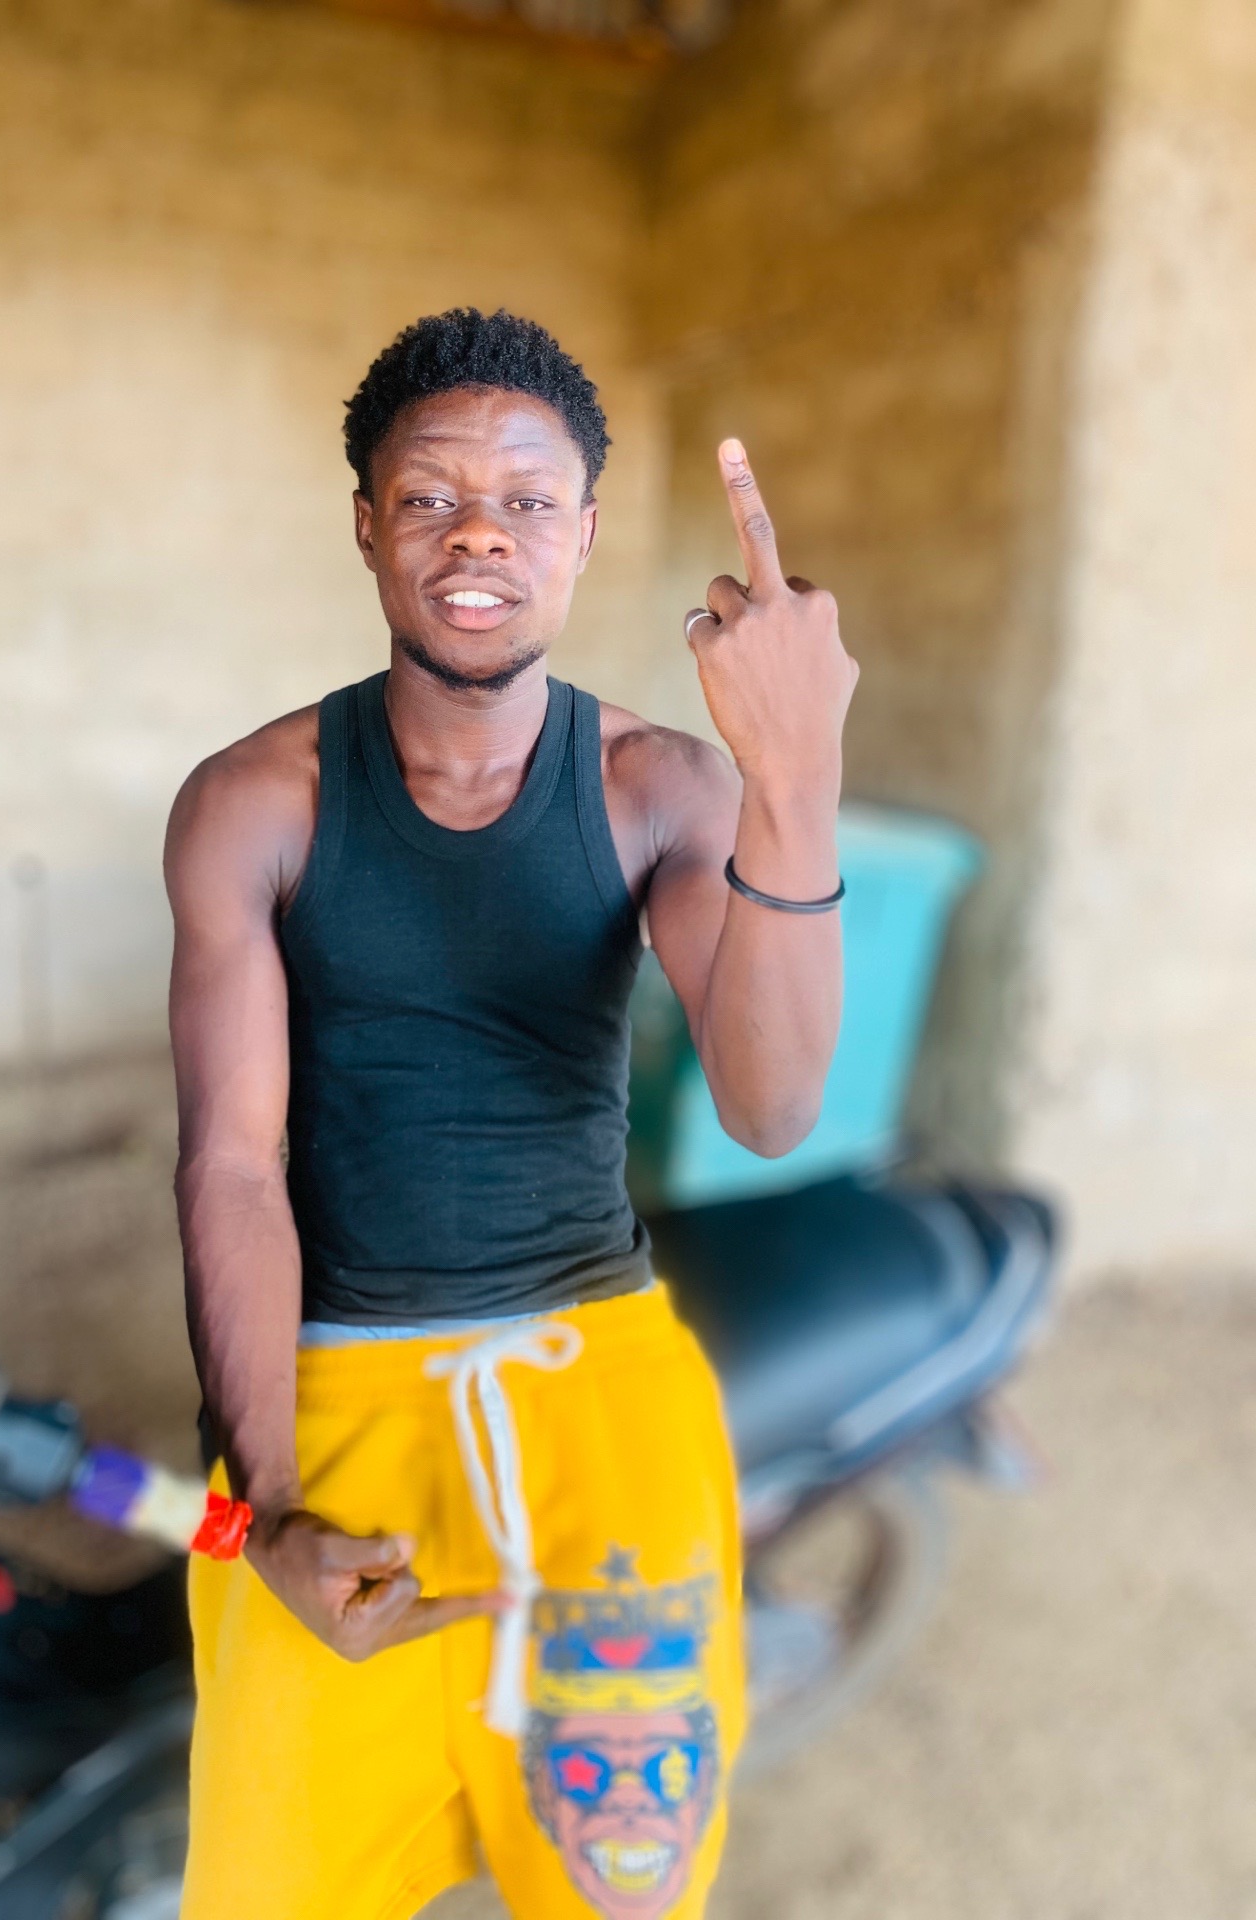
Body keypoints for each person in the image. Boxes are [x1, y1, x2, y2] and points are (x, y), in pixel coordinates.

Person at [166, 308, 857, 1920]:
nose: (481, 534)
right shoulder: (255, 803)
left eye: (530, 502)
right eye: (429, 497)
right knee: (263, 1887)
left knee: (623, 1887)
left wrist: (794, 775)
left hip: (606, 1409)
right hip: (322, 1411)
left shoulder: (661, 787)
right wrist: (264, 1506)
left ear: (587, 536)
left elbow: (771, 1108)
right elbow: (231, 1168)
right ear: (365, 525)